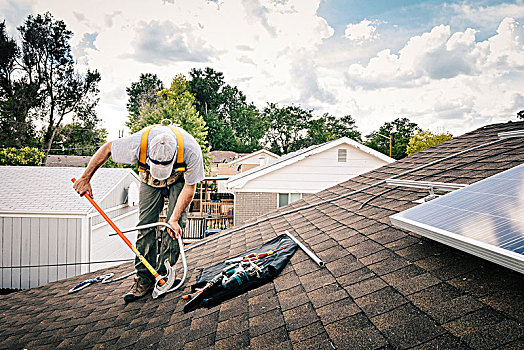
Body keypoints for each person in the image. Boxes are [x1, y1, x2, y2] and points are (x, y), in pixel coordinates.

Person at [73, 124, 204, 302]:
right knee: (145, 226)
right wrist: (85, 178)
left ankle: (165, 276)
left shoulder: (192, 151)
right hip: (148, 179)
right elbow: (106, 149)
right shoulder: (136, 143)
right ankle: (144, 278)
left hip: (179, 180)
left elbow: (190, 188)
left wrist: (173, 219)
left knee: (174, 228)